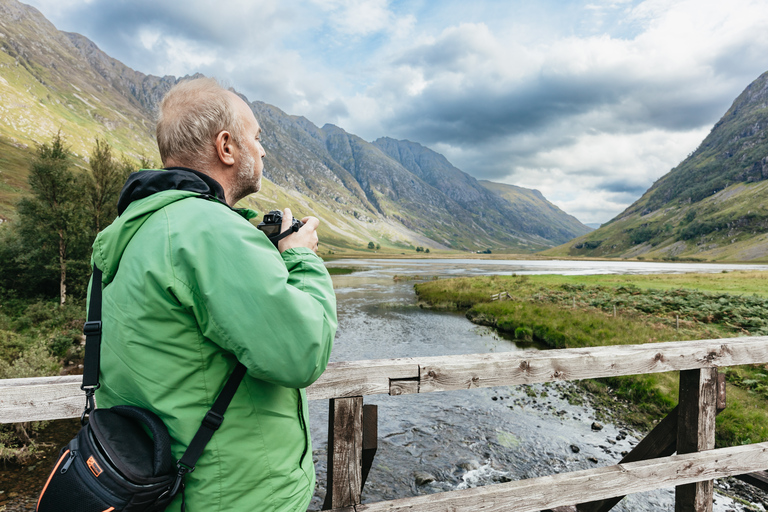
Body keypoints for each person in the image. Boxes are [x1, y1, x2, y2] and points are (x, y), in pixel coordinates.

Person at [90, 77, 337, 511]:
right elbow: (303, 352)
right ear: (226, 147)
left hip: (157, 489)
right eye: (256, 138)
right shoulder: (209, 231)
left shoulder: (122, 234)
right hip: (233, 496)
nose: (262, 151)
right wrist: (300, 258)